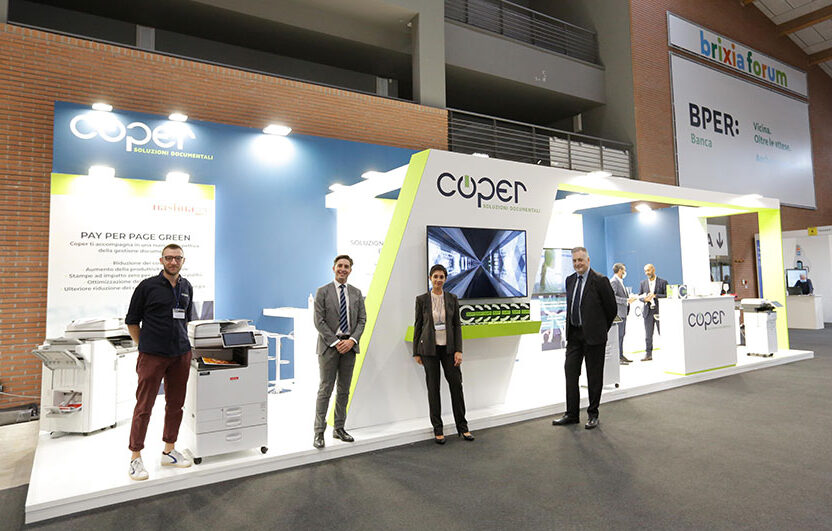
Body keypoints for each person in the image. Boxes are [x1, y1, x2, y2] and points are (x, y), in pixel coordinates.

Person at [125, 243, 194, 481]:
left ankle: (169, 451)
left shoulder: (186, 287)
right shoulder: (147, 286)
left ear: (183, 261)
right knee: (144, 407)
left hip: (181, 354)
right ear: (161, 260)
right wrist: (144, 346)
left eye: (177, 258)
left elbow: (185, 319)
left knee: (176, 405)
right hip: (152, 355)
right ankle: (135, 457)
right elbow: (132, 321)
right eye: (169, 258)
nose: (173, 262)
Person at [552, 247, 616, 430]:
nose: (577, 264)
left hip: (594, 337)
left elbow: (611, 309)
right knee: (570, 373)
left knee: (594, 377)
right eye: (574, 261)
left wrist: (600, 329)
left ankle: (593, 414)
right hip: (574, 336)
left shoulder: (600, 280)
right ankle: (571, 414)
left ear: (588, 260)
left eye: (580, 260)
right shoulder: (570, 280)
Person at [413, 264, 474, 444]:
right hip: (429, 350)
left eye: (441, 277)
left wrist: (459, 350)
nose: (438, 280)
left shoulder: (452, 298)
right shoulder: (422, 300)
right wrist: (416, 351)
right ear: (430, 278)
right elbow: (418, 325)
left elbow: (457, 325)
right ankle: (438, 429)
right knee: (433, 389)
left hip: (449, 350)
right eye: (435, 277)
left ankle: (463, 427)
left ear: (445, 279)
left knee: (456, 386)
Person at [312, 254, 367, 449]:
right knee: (325, 389)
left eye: (346, 266)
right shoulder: (322, 292)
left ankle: (339, 428)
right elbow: (319, 321)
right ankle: (319, 432)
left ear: (350, 270)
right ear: (334, 268)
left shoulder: (356, 293)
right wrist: (336, 342)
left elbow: (362, 320)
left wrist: (351, 341)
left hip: (350, 347)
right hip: (329, 347)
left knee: (344, 390)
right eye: (340, 266)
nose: (343, 269)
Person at [638, 264, 668, 362]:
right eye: (645, 271)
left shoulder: (663, 282)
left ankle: (668, 353)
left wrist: (655, 296)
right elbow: (640, 296)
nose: (647, 273)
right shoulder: (643, 283)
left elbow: (667, 295)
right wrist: (644, 299)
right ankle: (648, 354)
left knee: (663, 333)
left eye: (648, 270)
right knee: (648, 335)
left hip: (660, 311)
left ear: (653, 269)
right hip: (648, 312)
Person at [610, 263, 637, 365]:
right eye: (624, 270)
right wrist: (626, 301)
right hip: (618, 314)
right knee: (618, 336)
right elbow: (612, 297)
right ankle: (617, 357)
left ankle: (621, 355)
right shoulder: (614, 281)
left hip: (623, 313)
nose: (625, 272)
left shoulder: (620, 281)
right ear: (620, 270)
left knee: (622, 335)